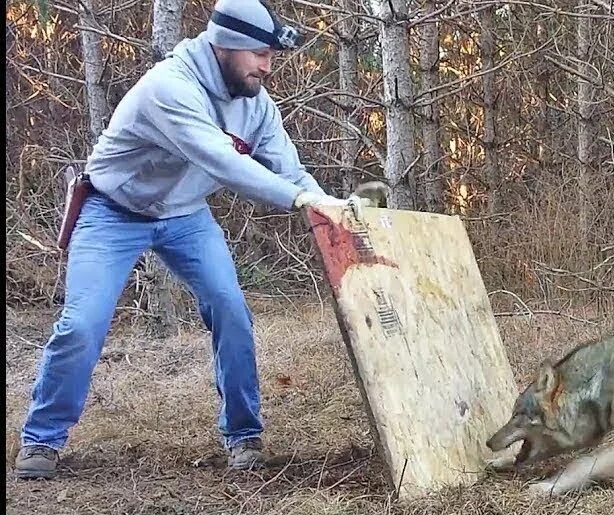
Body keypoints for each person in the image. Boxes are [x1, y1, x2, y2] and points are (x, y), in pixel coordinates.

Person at [13, 0, 369, 479]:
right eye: (260, 54)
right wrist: (298, 200)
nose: (267, 66)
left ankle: (244, 436)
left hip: (185, 216)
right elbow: (224, 162)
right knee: (83, 324)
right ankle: (42, 439)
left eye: (270, 55)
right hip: (113, 211)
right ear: (226, 46)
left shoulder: (256, 104)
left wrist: (331, 206)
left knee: (231, 309)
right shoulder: (168, 87)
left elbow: (291, 171)